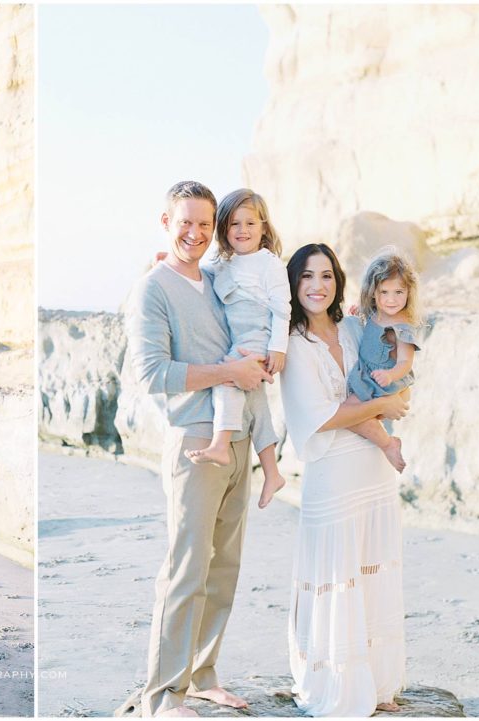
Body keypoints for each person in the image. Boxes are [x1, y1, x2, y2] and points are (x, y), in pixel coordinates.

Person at [128, 181, 272, 717]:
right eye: (184, 222)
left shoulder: (214, 279)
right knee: (186, 570)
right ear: (165, 222)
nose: (195, 233)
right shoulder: (153, 288)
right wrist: (228, 372)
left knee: (224, 568)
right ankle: (162, 697)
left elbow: (264, 309)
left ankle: (203, 673)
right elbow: (152, 374)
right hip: (194, 443)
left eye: (204, 225)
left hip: (238, 441)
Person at [279, 244, 409, 716]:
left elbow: (386, 370)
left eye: (328, 275)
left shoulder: (353, 328)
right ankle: (339, 686)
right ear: (294, 285)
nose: (318, 285)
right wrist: (382, 408)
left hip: (373, 468)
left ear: (339, 282)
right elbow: (322, 414)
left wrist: (388, 398)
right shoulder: (294, 342)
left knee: (372, 569)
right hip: (332, 473)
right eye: (308, 276)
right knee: (337, 575)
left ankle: (375, 684)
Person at [184, 188, 291, 510]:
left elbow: (282, 308)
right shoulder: (223, 263)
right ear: (223, 230)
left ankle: (220, 443)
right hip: (238, 337)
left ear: (263, 229)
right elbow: (199, 275)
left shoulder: (268, 263)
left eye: (250, 224)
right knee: (257, 404)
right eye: (234, 224)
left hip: (256, 335)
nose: (242, 231)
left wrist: (278, 349)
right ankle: (272, 472)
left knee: (227, 379)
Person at [345, 247, 422, 472]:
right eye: (384, 292)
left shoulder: (402, 326)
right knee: (352, 414)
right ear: (373, 293)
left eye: (399, 292)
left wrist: (390, 375)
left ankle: (388, 444)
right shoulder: (376, 313)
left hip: (382, 381)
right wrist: (360, 310)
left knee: (350, 414)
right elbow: (369, 318)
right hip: (368, 374)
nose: (391, 300)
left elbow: (405, 363)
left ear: (409, 292)